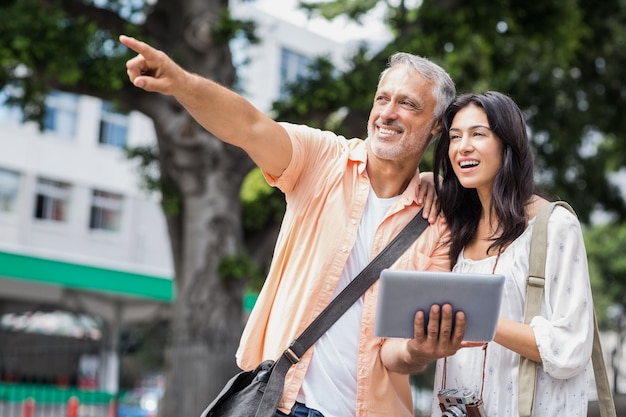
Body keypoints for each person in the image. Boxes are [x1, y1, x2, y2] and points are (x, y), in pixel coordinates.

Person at [120, 34, 466, 417]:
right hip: (284, 404)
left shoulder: (438, 221)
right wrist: (182, 82)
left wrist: (420, 349)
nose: (387, 112)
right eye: (382, 98)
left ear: (436, 128)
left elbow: (397, 353)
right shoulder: (322, 159)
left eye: (407, 104)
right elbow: (248, 126)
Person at [431, 91, 595, 416]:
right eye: (454, 137)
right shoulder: (455, 229)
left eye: (478, 134)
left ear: (508, 143)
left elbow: (571, 346)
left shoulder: (554, 226)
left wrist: (480, 320)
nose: (463, 146)